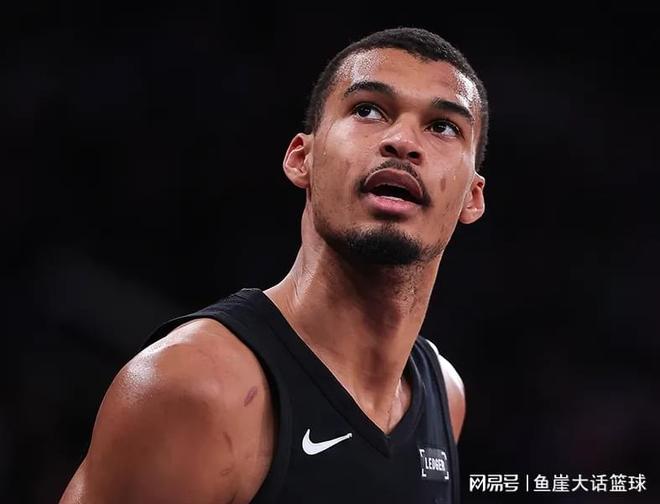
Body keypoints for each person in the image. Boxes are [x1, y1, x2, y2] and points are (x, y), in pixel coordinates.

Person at [60, 26, 488, 504]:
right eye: (368, 110)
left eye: (443, 126)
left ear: (472, 197)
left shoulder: (444, 394)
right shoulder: (195, 386)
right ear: (301, 159)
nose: (403, 141)